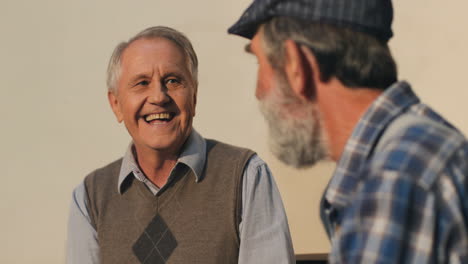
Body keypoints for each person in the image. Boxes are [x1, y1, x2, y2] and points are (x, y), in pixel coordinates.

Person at [228, 0, 468, 263]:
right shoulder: (414, 149)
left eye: (260, 65)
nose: (258, 91)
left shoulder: (394, 176)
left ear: (297, 65)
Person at [67, 26, 294, 264]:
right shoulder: (90, 198)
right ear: (116, 104)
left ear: (194, 97)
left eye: (173, 81)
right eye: (142, 83)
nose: (158, 97)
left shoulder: (246, 177)